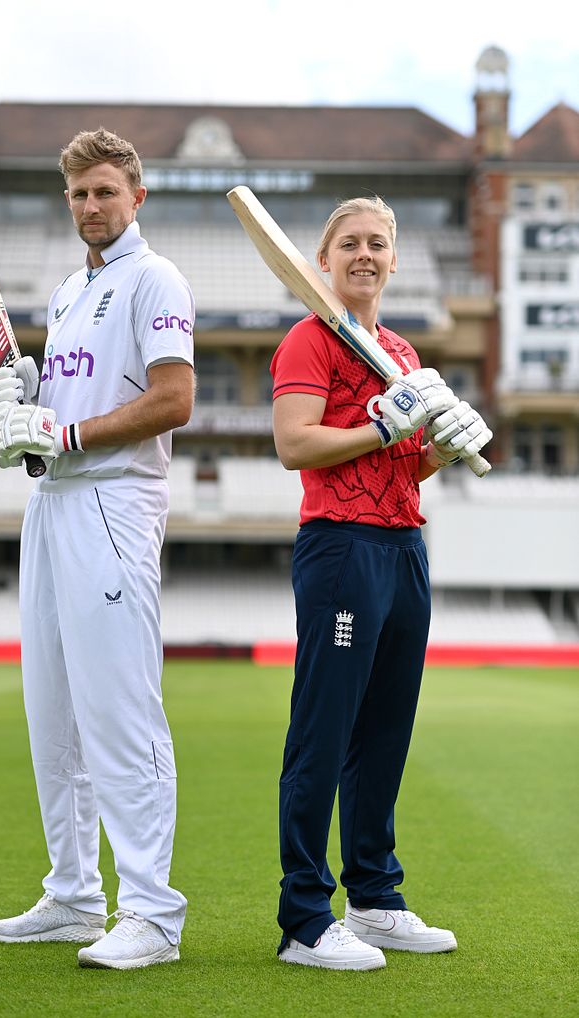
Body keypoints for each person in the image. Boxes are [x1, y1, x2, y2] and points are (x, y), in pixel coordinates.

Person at [0, 127, 195, 971]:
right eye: (77, 194)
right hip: (51, 501)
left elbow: (173, 399)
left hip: (111, 503)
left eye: (105, 191)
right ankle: (73, 896)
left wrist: (62, 427)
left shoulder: (154, 278)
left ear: (136, 196)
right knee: (53, 716)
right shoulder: (69, 292)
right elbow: (57, 414)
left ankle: (152, 912)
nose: (91, 206)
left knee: (121, 714)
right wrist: (24, 398)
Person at [269, 195, 491, 971]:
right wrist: (385, 425)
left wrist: (443, 446)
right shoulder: (309, 338)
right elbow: (295, 444)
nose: (365, 254)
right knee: (324, 732)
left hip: (404, 545)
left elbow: (403, 460)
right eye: (350, 243)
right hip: (341, 548)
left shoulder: (397, 350)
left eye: (378, 244)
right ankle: (304, 917)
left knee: (386, 730)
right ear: (324, 261)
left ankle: (373, 899)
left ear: (395, 261)